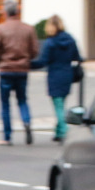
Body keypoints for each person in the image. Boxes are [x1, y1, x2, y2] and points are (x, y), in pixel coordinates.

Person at [0, 0, 40, 145]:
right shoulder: (28, 29)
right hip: (22, 69)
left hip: (6, 69)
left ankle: (7, 136)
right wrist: (26, 59)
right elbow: (35, 50)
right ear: (18, 12)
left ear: (5, 12)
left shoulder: (0, 28)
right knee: (22, 100)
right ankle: (26, 121)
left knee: (5, 103)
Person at [36, 14, 82, 143]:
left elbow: (43, 61)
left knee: (58, 105)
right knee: (61, 104)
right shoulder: (70, 39)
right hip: (67, 74)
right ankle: (58, 132)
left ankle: (64, 130)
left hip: (54, 75)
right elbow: (78, 57)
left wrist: (28, 64)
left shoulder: (50, 43)